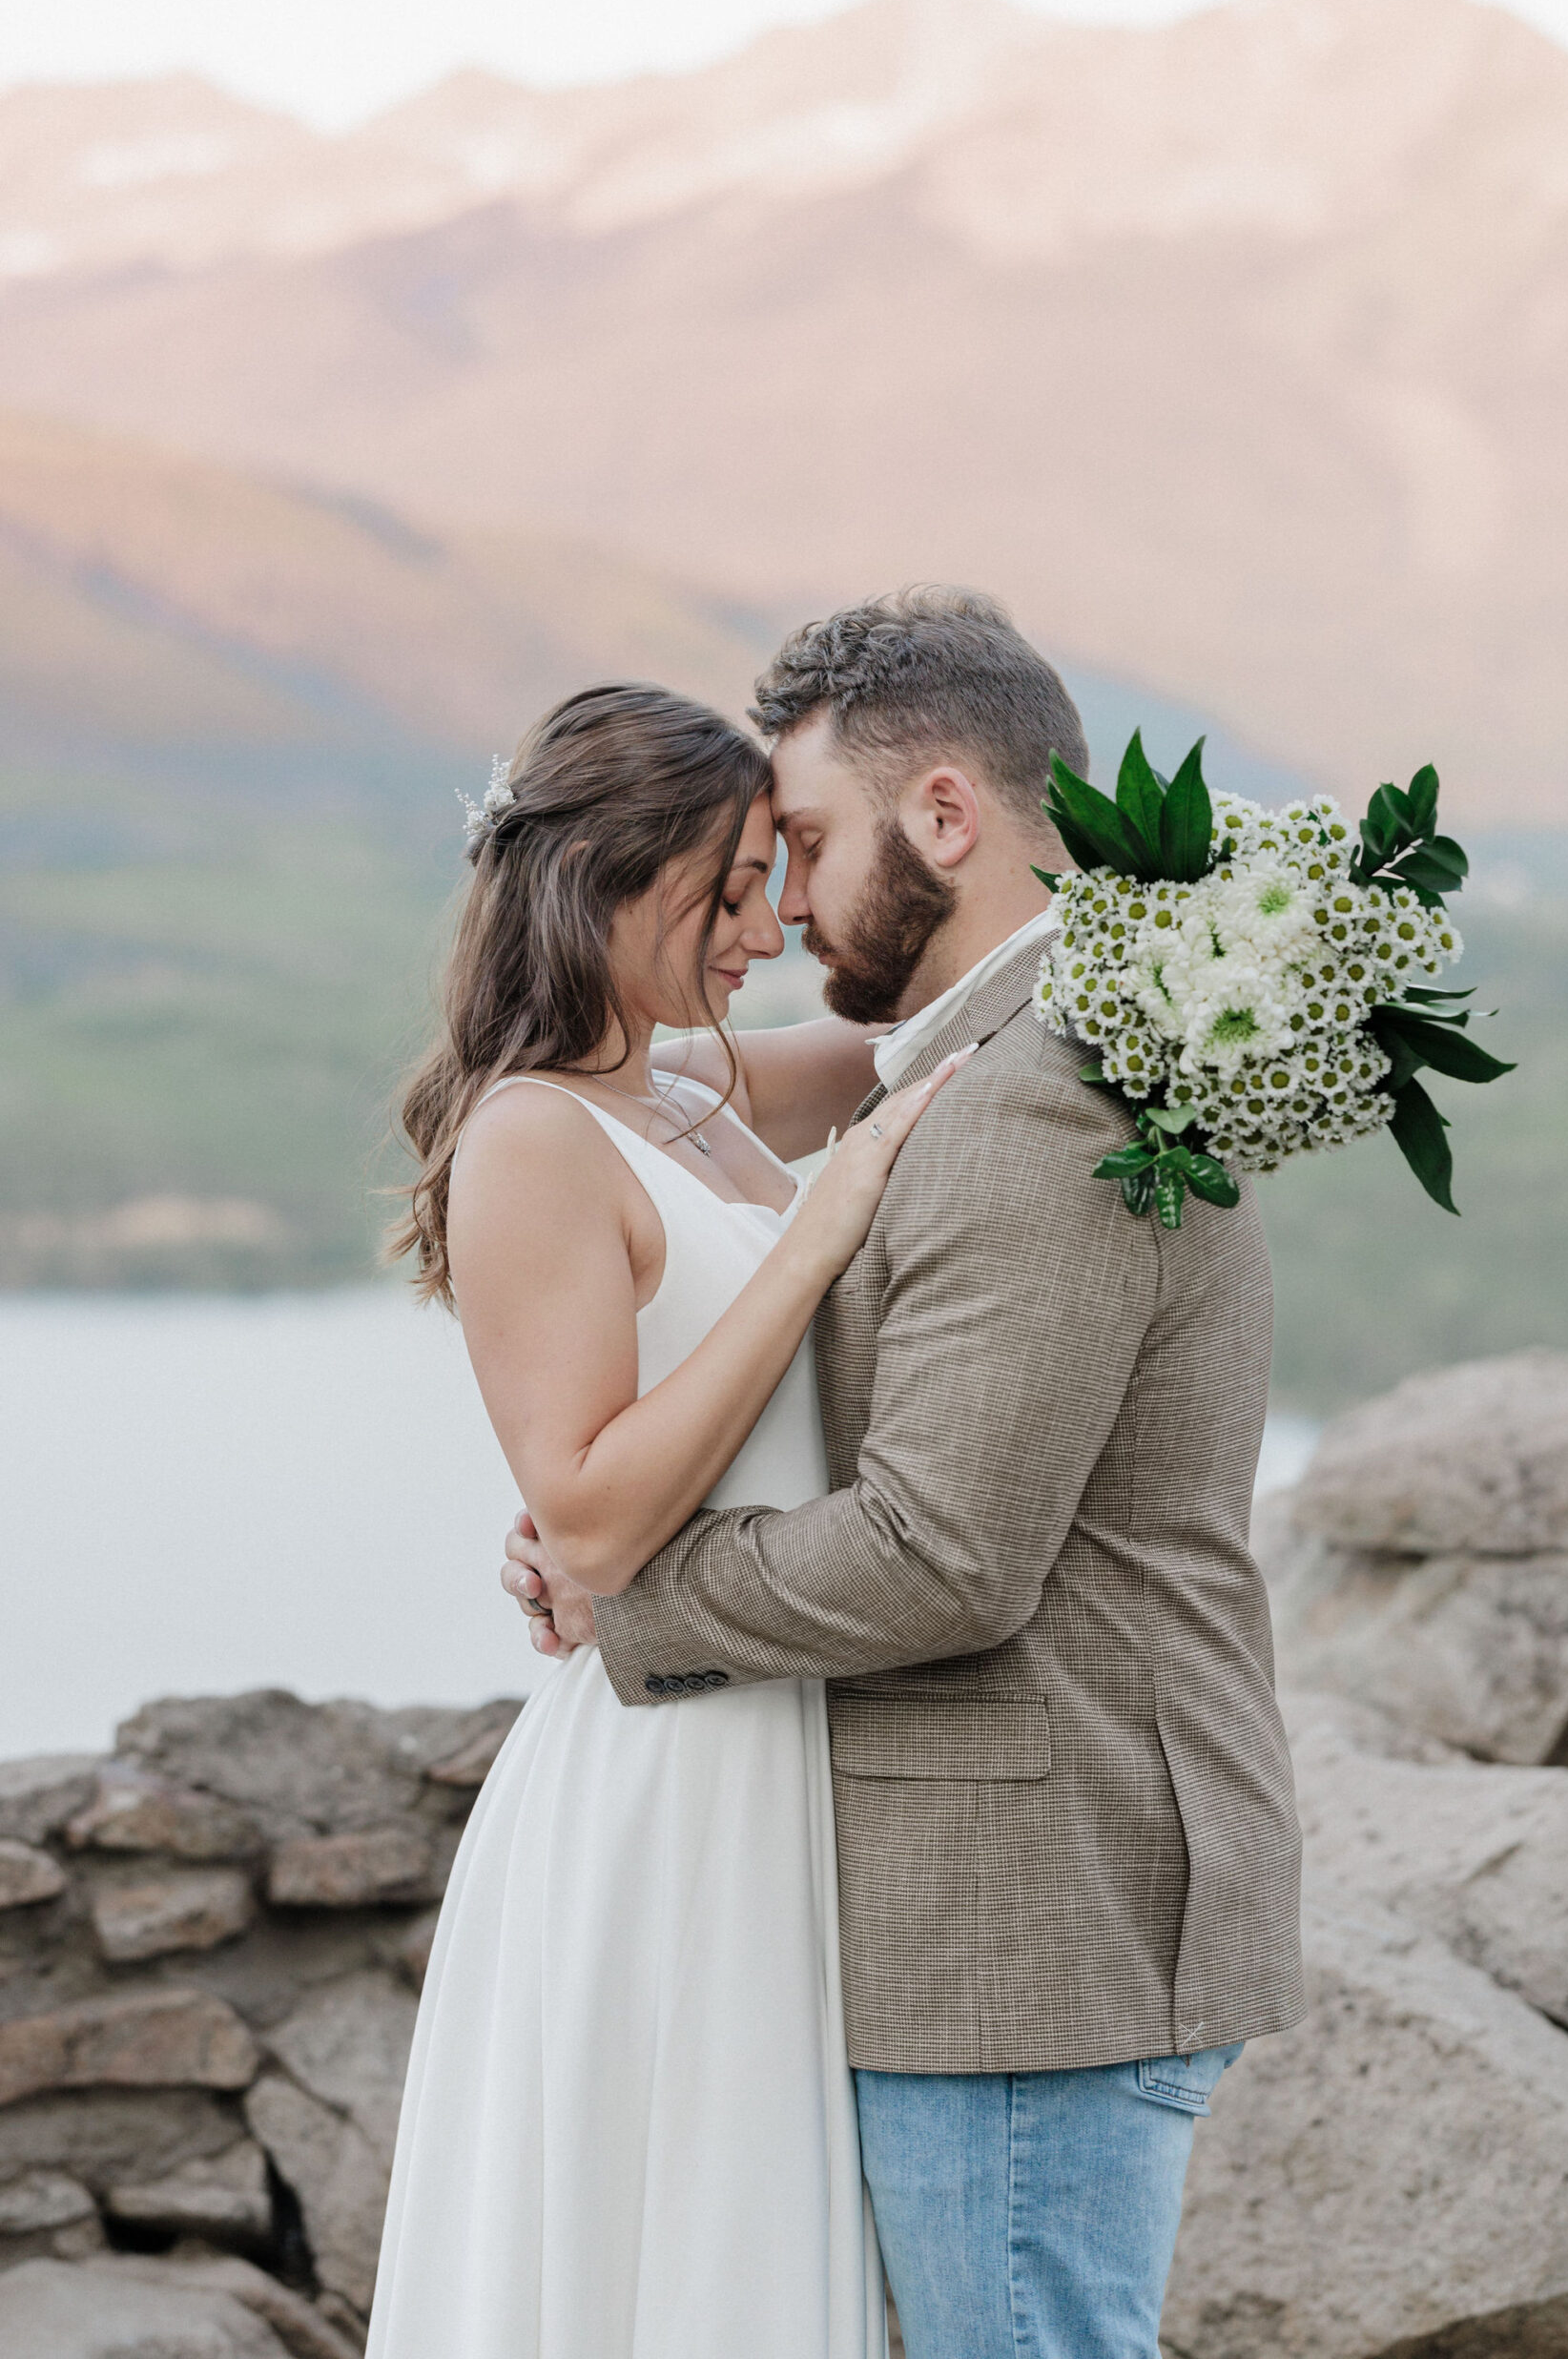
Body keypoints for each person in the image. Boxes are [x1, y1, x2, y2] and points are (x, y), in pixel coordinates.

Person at [504, 590, 1305, 2359]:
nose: (780, 906)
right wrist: (620, 1489)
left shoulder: (1041, 1096)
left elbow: (946, 1556)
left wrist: (632, 1589)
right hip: (1017, 1903)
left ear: (944, 817)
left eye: (801, 845)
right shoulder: (1010, 1054)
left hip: (1029, 1920)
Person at [368, 679, 966, 2359]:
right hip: (670, 1778)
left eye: (783, 868)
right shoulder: (529, 1139)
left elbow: (935, 1030)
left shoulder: (686, 1091)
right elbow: (595, 1523)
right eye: (732, 883)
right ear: (611, 881)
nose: (770, 924)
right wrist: (823, 1225)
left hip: (792, 1736)